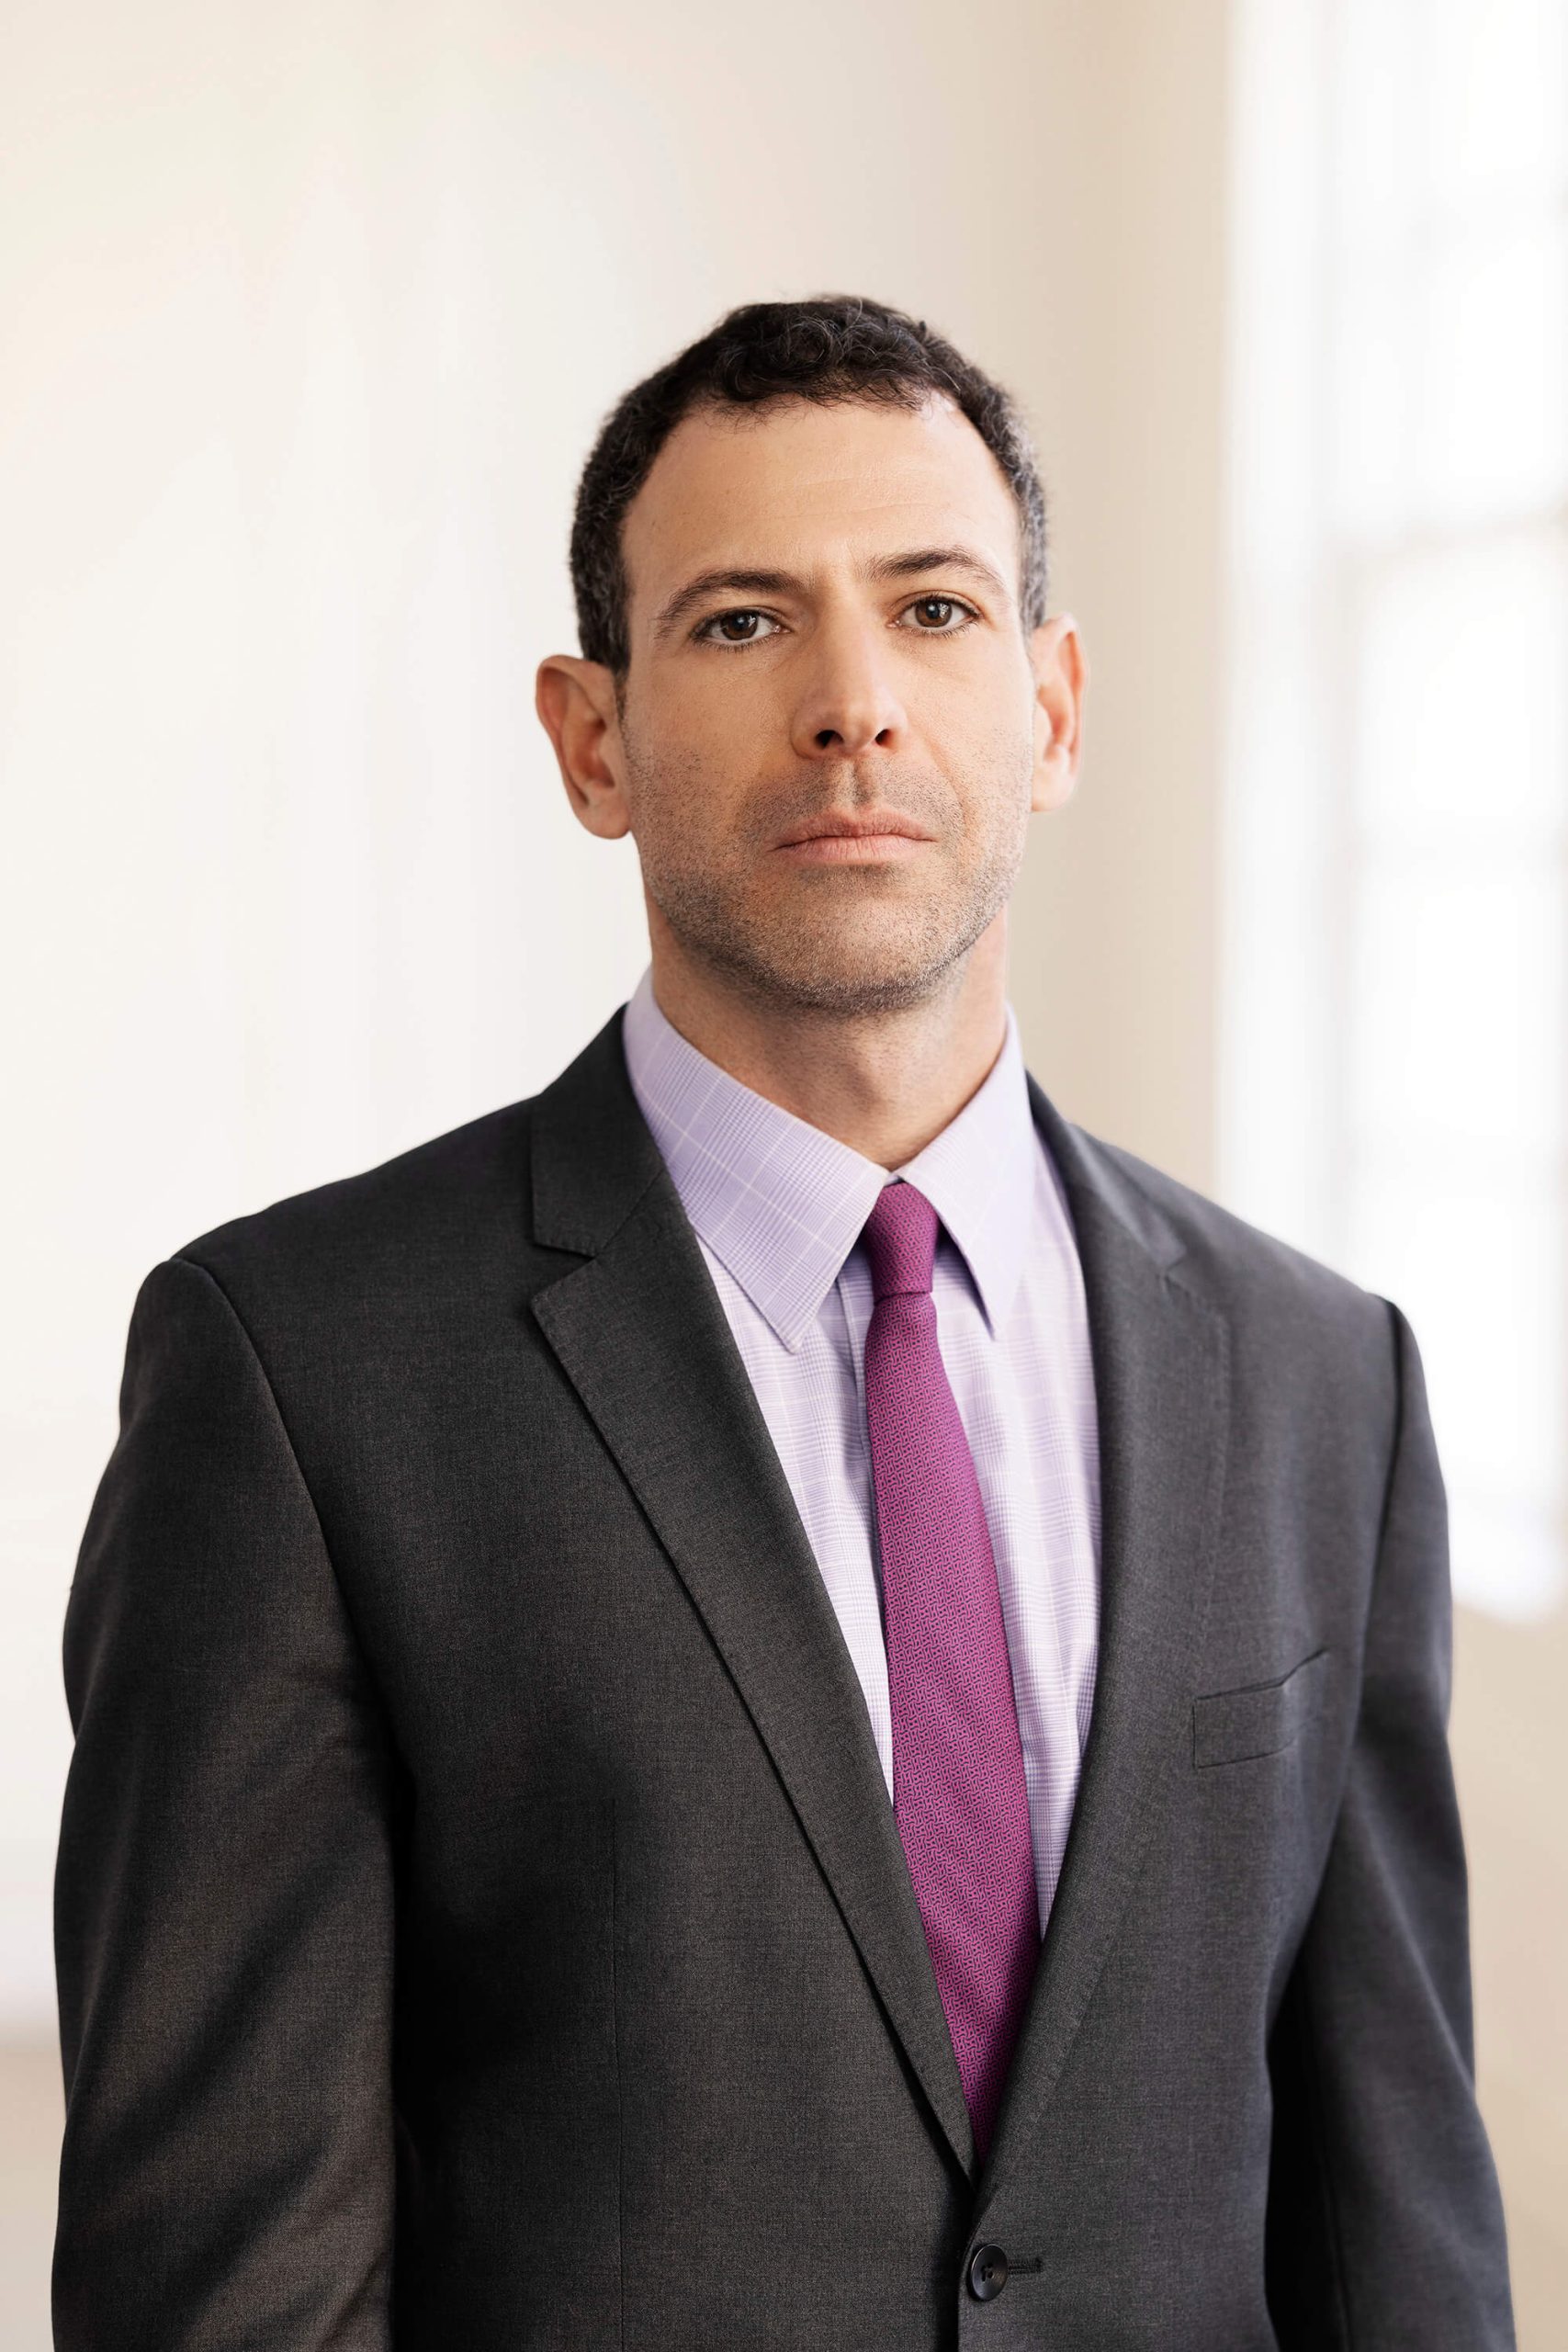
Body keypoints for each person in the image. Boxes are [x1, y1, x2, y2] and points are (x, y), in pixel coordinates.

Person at [51, 294, 1515, 2350]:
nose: (853, 704)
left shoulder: (1319, 1379)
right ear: (592, 739)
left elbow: (1398, 2236)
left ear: (1052, 709)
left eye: (933, 609)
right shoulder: (299, 1376)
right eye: (743, 621)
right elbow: (225, 2299)